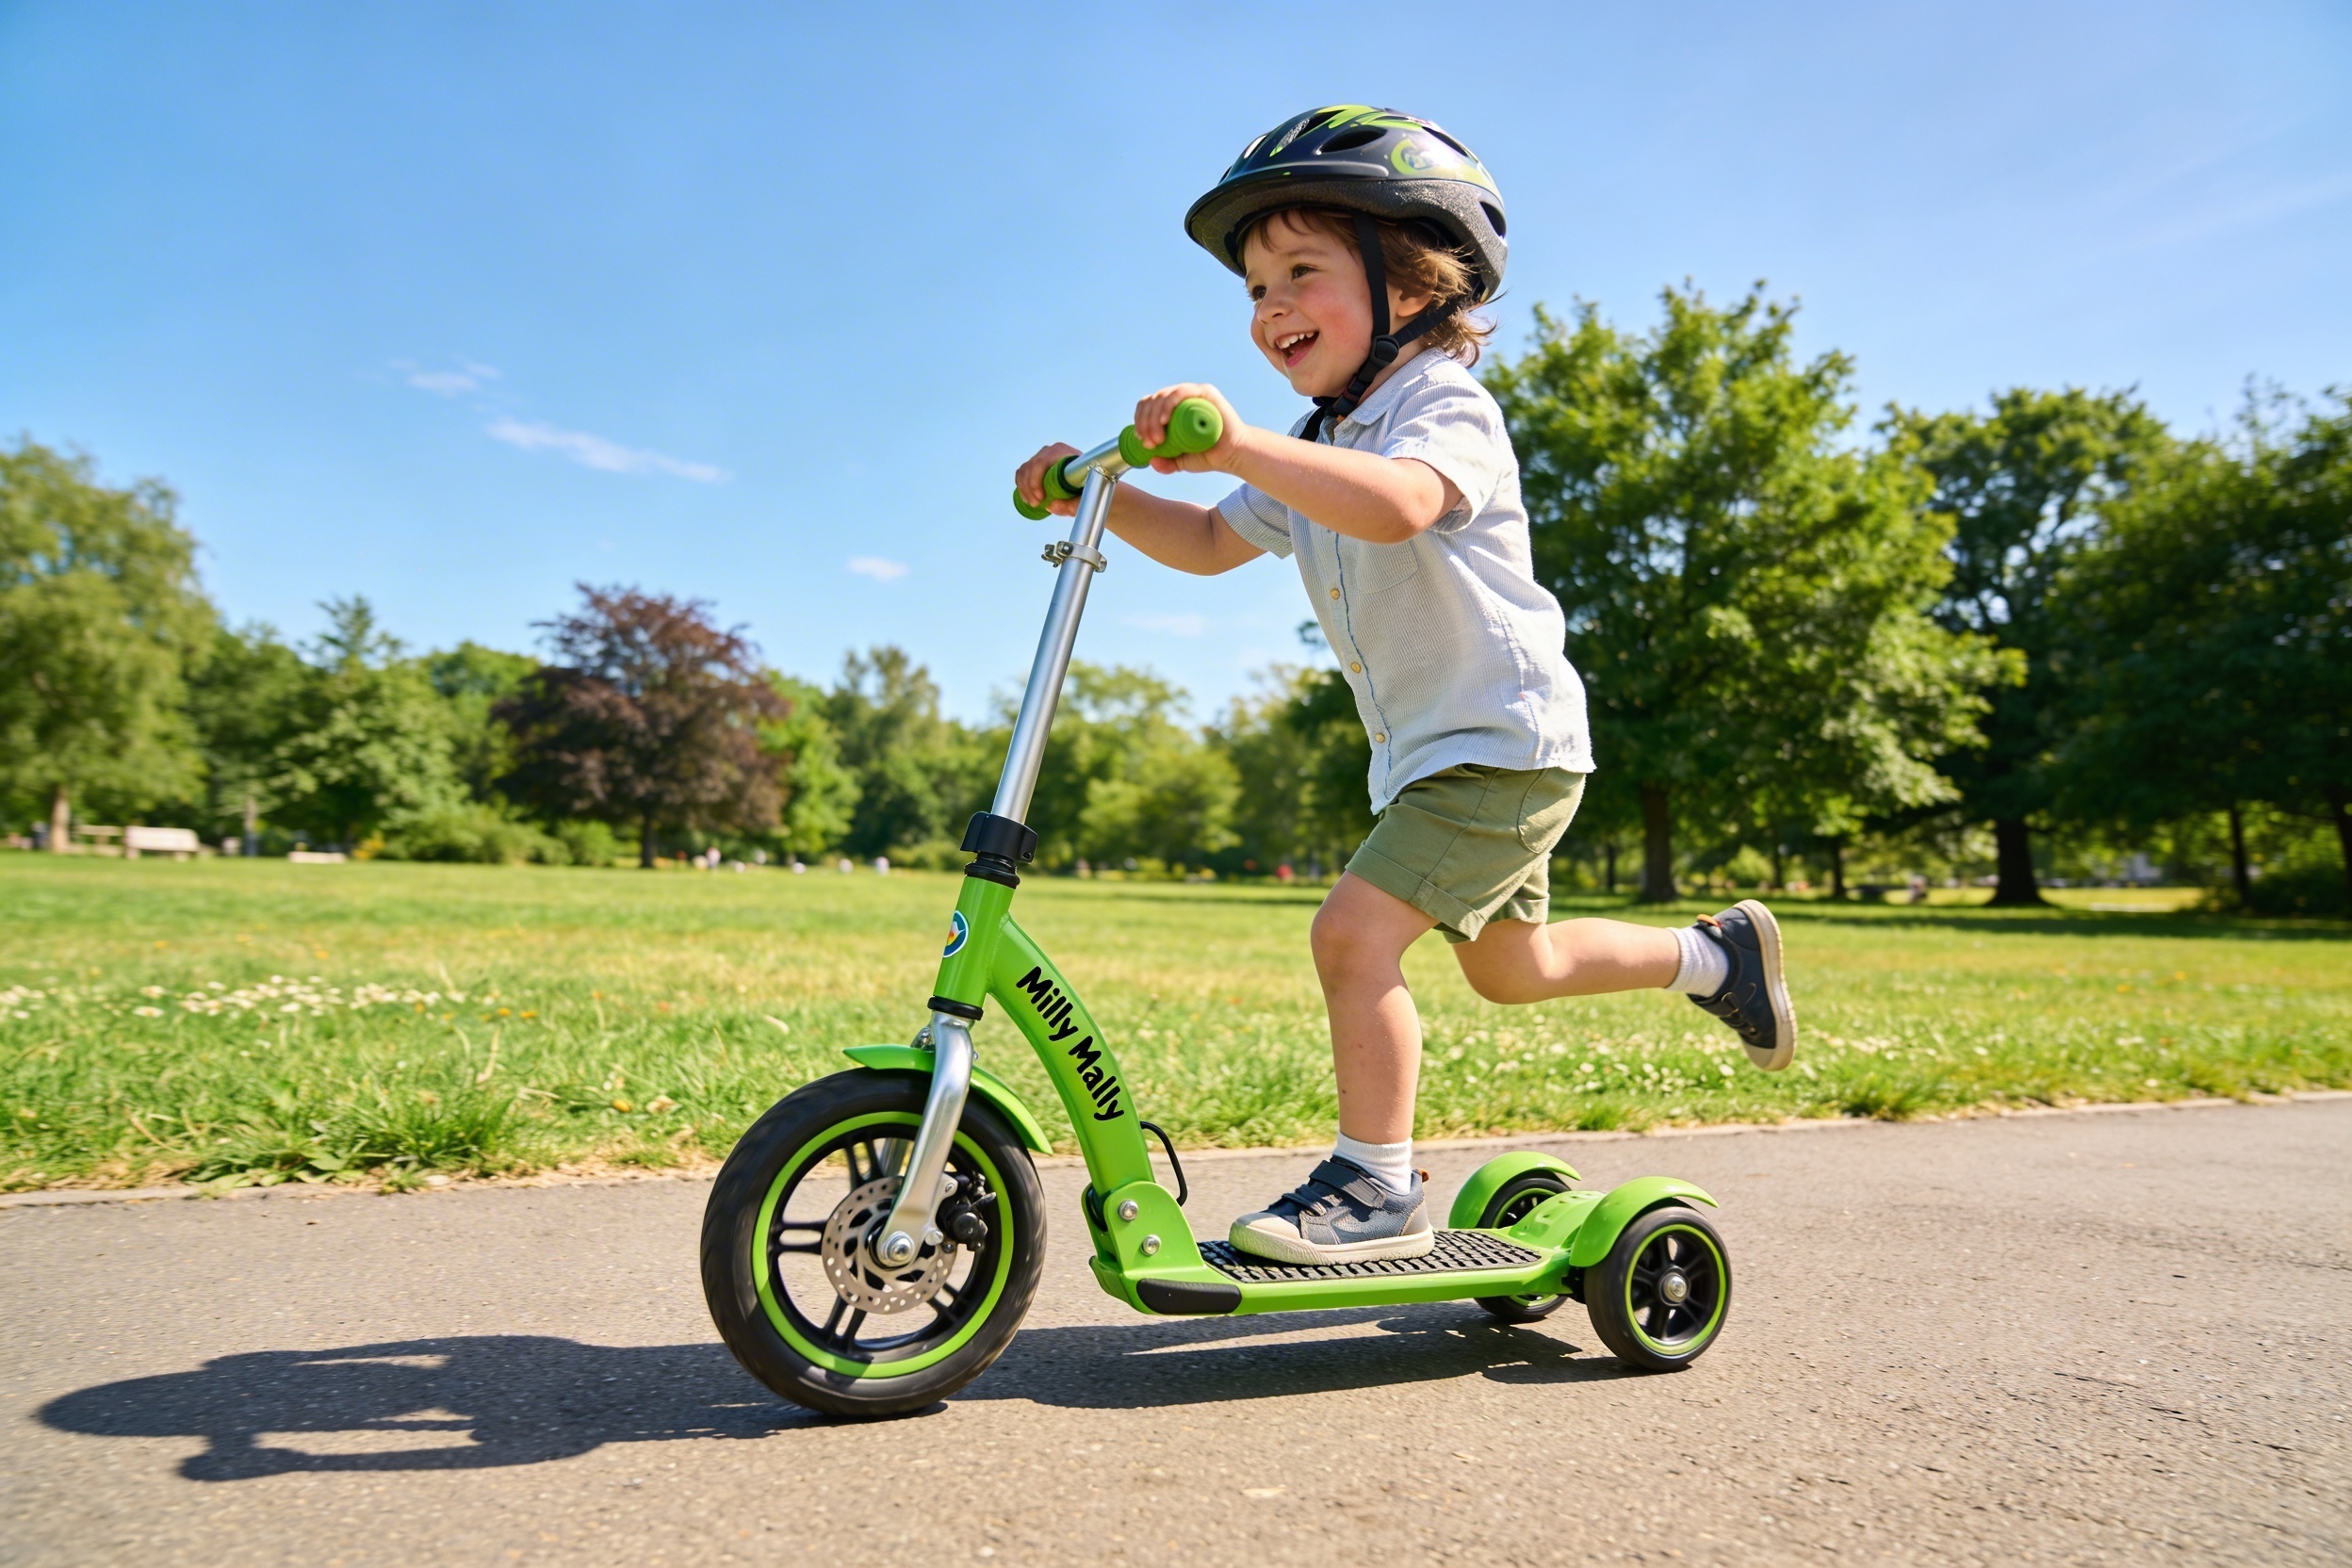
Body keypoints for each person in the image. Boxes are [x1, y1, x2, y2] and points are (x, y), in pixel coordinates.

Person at [1017, 106, 1798, 1265]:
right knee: (1512, 969)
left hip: (1501, 742)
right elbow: (1211, 544)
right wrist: (1101, 495)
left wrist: (1237, 445)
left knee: (1352, 937)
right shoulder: (1319, 433)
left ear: (1415, 281)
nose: (1270, 306)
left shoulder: (1440, 407)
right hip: (1438, 755)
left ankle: (1377, 1183)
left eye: (1300, 272)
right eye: (1252, 289)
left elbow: (1399, 503)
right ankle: (1718, 956)